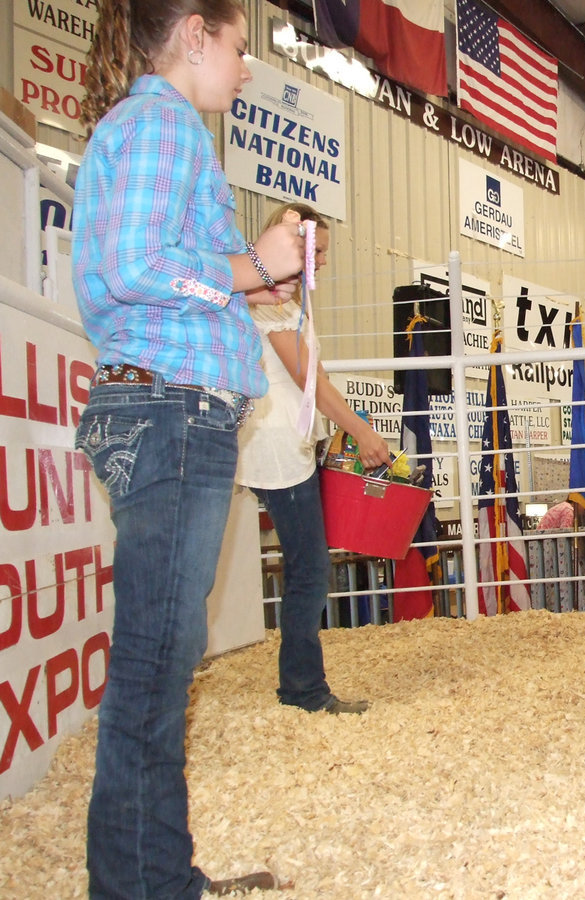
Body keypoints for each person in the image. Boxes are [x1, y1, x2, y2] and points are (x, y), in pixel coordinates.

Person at [72, 2, 306, 896]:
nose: (246, 68)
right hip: (170, 414)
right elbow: (136, 264)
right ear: (196, 36)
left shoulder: (141, 128)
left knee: (161, 657)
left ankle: (159, 876)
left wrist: (252, 269)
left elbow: (150, 276)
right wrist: (252, 266)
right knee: (154, 662)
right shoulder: (165, 125)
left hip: (163, 408)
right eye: (240, 46)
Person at [236, 202, 386, 716]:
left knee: (306, 565)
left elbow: (312, 380)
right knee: (308, 568)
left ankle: (300, 685)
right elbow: (307, 378)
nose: (321, 261)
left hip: (286, 444)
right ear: (289, 242)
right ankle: (302, 689)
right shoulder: (271, 300)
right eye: (316, 250)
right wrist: (360, 430)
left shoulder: (282, 299)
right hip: (274, 445)